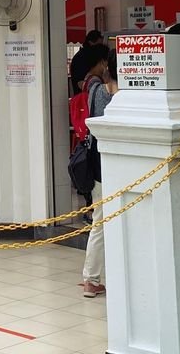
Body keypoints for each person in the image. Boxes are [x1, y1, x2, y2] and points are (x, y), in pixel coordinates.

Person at [81, 43, 112, 298]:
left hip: (95, 162)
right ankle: (91, 278)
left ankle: (92, 277)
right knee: (101, 221)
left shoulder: (88, 85)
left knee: (100, 220)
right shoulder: (101, 90)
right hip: (105, 162)